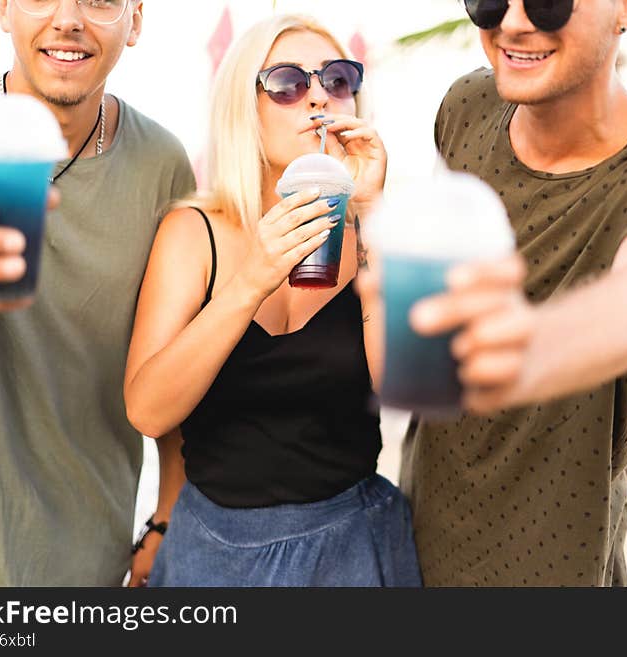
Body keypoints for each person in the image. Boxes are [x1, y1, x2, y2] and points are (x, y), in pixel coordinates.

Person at [387, 0, 627, 585]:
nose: (514, 22)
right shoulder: (466, 108)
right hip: (414, 546)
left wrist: (530, 347)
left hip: (554, 568)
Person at [123, 14, 421, 587]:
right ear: (244, 107)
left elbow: (401, 386)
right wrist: (252, 279)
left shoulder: (378, 229)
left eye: (337, 79)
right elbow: (148, 410)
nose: (317, 97)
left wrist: (375, 219)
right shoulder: (194, 231)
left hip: (354, 544)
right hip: (217, 552)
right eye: (287, 83)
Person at [0, 0, 195, 586]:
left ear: (136, 20)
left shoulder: (162, 165)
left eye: (98, 0)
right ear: (4, 10)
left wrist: (166, 519)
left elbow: (175, 361)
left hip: (88, 568)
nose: (67, 19)